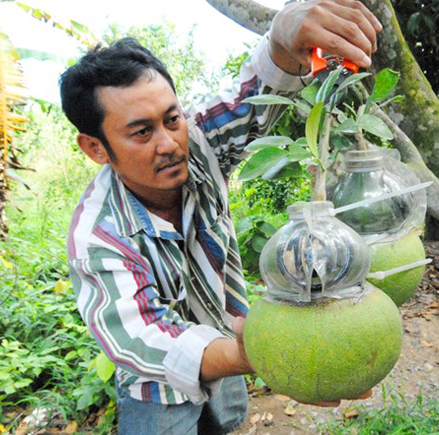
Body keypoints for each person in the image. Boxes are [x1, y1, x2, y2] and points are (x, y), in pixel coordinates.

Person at [61, 1, 382, 433]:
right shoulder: (97, 236)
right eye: (142, 132)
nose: (170, 143)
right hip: (158, 389)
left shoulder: (199, 143)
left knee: (227, 423)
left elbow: (253, 94)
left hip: (228, 338)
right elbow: (143, 337)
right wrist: (270, 353)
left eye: (172, 119)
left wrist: (286, 34)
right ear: (95, 148)